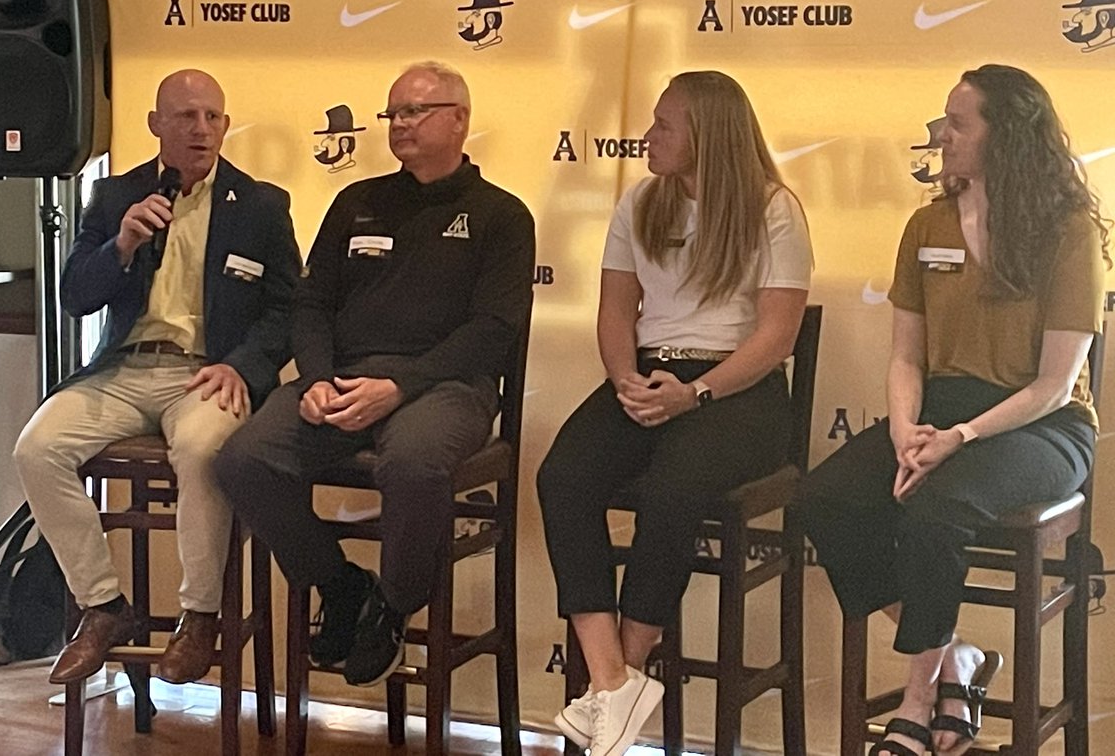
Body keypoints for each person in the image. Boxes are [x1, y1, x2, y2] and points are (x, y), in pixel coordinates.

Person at [796, 64, 1109, 756]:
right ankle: (956, 659)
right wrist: (908, 431)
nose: (942, 135)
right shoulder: (926, 223)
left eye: (959, 123)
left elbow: (1057, 384)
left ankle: (916, 702)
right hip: (940, 412)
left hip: (1041, 427)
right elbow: (907, 355)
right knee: (823, 499)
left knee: (936, 509)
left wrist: (959, 438)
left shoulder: (1069, 231)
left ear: (1008, 136)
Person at [214, 61, 535, 687]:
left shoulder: (502, 216)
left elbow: (492, 331)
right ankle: (340, 586)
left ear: (460, 120)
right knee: (243, 459)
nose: (400, 124)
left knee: (413, 463)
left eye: (415, 111)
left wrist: (400, 388)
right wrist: (316, 380)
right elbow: (311, 304)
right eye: (394, 113)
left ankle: (391, 609)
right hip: (344, 377)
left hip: (444, 387)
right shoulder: (356, 201)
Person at [537, 71, 813, 756]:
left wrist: (697, 393)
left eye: (664, 126)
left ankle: (623, 677)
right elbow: (614, 311)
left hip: (735, 388)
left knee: (674, 488)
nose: (647, 137)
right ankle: (610, 681)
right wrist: (626, 379)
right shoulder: (639, 202)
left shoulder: (774, 208)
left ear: (707, 136)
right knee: (563, 477)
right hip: (650, 371)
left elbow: (777, 335)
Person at [13, 69, 301, 685]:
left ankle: (199, 616)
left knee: (201, 449)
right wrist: (118, 246)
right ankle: (103, 607)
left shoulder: (259, 205)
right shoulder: (117, 194)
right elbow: (74, 297)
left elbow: (288, 309)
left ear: (225, 125)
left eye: (213, 118)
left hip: (206, 375)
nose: (202, 130)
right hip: (123, 371)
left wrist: (243, 368)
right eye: (187, 117)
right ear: (156, 125)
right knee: (37, 449)